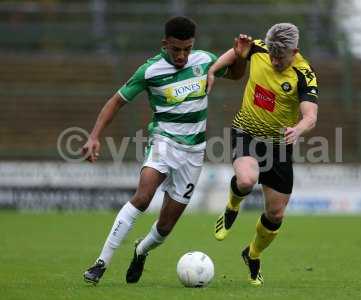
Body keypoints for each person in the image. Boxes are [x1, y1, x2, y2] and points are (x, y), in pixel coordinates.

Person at [82, 16, 247, 285]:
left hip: (194, 152)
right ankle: (101, 262)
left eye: (187, 49)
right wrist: (94, 136)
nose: (182, 55)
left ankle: (140, 250)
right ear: (165, 44)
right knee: (143, 196)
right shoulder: (149, 71)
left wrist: (240, 57)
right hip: (163, 142)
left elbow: (237, 74)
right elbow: (116, 102)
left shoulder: (204, 60)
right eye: (176, 49)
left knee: (165, 227)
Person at [207, 23, 319, 286]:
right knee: (246, 180)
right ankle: (232, 206)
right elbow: (236, 53)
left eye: (280, 57)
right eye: (272, 55)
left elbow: (310, 116)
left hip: (279, 145)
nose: (274, 60)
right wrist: (213, 69)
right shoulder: (258, 47)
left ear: (295, 51)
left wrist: (299, 129)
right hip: (247, 131)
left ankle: (252, 254)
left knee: (275, 215)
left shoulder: (304, 74)